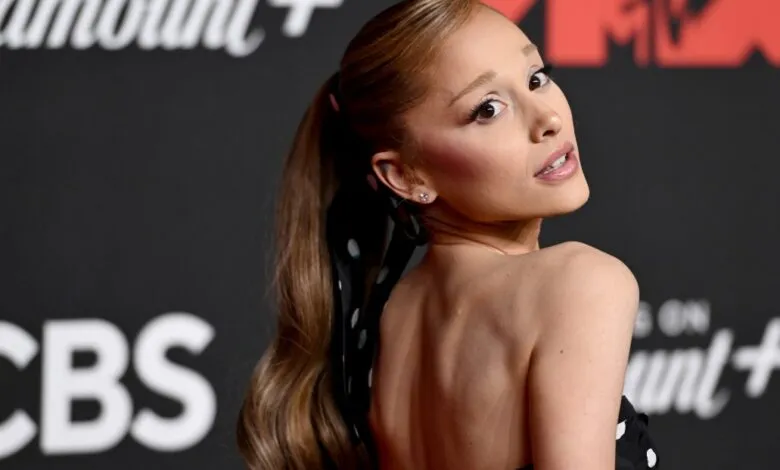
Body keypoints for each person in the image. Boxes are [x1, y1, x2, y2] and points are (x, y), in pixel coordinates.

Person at [237, 0, 659, 469]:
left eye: (537, 77)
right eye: (488, 109)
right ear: (404, 177)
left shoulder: (384, 319)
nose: (548, 119)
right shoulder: (580, 284)